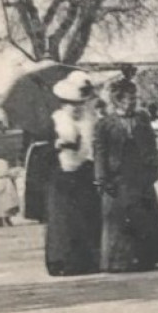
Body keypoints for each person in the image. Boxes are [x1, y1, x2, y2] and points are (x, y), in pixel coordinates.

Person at [93, 74, 158, 272]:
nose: (133, 103)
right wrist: (102, 178)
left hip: (140, 175)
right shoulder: (104, 124)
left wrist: (154, 168)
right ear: (117, 100)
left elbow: (151, 145)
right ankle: (119, 261)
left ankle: (146, 258)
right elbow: (100, 152)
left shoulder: (142, 119)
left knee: (144, 216)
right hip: (117, 177)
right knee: (118, 219)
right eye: (129, 99)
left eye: (135, 99)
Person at [45, 72, 102, 275]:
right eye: (71, 104)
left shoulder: (90, 120)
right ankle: (63, 262)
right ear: (63, 104)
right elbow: (41, 150)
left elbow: (93, 146)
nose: (76, 108)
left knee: (87, 216)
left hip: (85, 172)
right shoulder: (56, 120)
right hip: (62, 174)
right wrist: (58, 145)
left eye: (80, 104)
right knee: (64, 220)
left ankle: (88, 260)